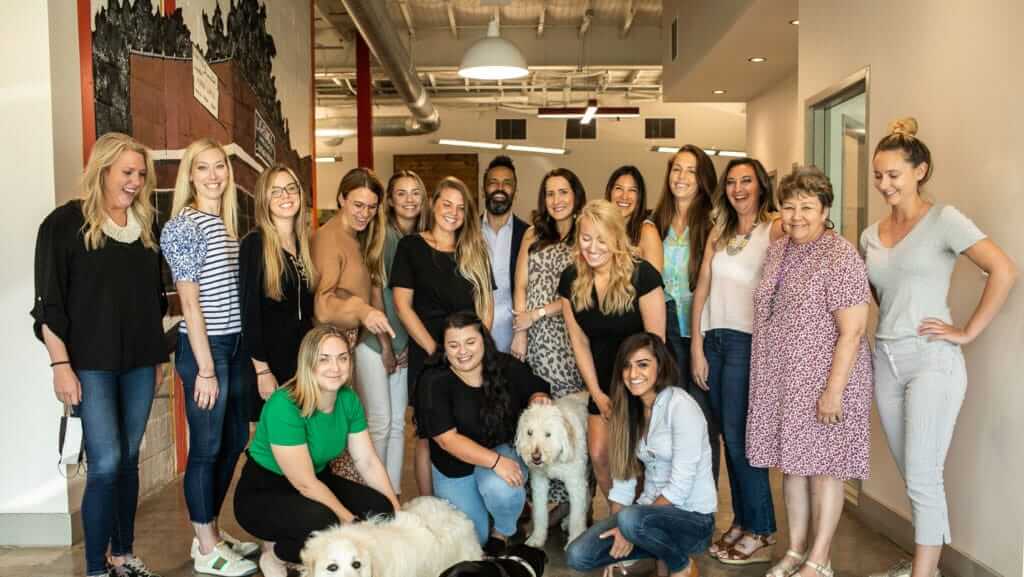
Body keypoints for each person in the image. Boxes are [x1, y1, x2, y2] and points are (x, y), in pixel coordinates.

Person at [862, 119, 1017, 577]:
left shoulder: (944, 220)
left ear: (919, 171)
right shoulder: (871, 235)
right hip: (886, 359)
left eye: (893, 175)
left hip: (932, 360)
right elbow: (880, 294)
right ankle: (926, 563)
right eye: (878, 176)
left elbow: (1003, 270)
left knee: (923, 473)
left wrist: (966, 331)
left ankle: (923, 572)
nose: (884, 184)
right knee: (915, 473)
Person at [32, 132, 168, 577]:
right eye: (127, 173)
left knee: (128, 461)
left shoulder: (147, 226)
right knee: (106, 463)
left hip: (140, 365)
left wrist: (159, 360)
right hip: (89, 366)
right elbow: (49, 305)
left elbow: (154, 301)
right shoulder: (63, 225)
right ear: (103, 170)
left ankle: (123, 556)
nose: (135, 182)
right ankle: (94, 567)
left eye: (141, 175)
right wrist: (60, 366)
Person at [747, 167, 873, 577]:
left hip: (825, 379)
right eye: (789, 206)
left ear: (824, 210)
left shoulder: (840, 255)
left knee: (825, 469)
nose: (797, 215)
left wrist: (833, 391)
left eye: (807, 207)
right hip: (785, 379)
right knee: (793, 467)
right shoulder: (780, 249)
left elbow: (853, 331)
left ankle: (820, 558)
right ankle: (795, 550)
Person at [160, 138, 258, 576]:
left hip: (235, 346)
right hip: (207, 348)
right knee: (205, 448)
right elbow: (191, 304)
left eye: (220, 166)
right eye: (203, 168)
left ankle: (213, 530)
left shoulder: (225, 224)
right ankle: (204, 545)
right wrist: (204, 368)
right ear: (190, 175)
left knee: (234, 441)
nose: (215, 175)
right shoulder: (185, 226)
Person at [234, 325, 400, 577]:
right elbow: (305, 484)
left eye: (342, 358)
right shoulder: (284, 405)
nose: (335, 368)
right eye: (324, 359)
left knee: (381, 511)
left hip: (318, 481)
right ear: (308, 363)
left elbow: (366, 461)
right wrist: (349, 520)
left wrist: (398, 513)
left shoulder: (348, 399)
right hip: (265, 491)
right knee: (327, 522)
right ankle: (277, 555)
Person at [690, 157, 784, 564]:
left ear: (761, 186)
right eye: (731, 182)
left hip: (749, 343)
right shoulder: (720, 231)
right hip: (714, 340)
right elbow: (703, 288)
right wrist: (696, 343)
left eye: (747, 181)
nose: (738, 188)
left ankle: (762, 529)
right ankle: (744, 521)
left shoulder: (776, 227)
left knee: (745, 438)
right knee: (728, 437)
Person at [565, 333, 715, 577]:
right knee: (579, 554)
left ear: (661, 366)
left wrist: (627, 529)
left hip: (692, 519)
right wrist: (618, 537)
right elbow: (624, 483)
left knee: (631, 519)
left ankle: (680, 564)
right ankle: (654, 553)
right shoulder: (629, 413)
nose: (633, 374)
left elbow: (680, 487)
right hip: (646, 518)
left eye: (643, 364)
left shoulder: (681, 405)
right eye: (627, 366)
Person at [391, 176, 495, 497]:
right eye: (446, 204)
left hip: (468, 357)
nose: (453, 212)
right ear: (433, 204)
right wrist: (437, 349)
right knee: (428, 434)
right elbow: (402, 305)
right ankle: (428, 505)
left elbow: (486, 307)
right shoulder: (412, 247)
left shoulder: (474, 250)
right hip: (431, 354)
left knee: (470, 428)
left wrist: (475, 351)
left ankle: (473, 500)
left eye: (461, 208)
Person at [416, 312, 551, 550]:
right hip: (454, 463)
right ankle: (485, 515)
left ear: (483, 341)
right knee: (473, 538)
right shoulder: (433, 380)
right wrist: (495, 462)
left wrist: (538, 397)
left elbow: (536, 387)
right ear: (444, 348)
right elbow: (447, 440)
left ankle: (502, 531)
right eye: (453, 345)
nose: (462, 351)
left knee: (501, 489)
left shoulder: (504, 365)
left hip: (501, 448)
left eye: (470, 342)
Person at [559, 199, 666, 500]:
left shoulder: (642, 275)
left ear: (617, 238)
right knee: (599, 455)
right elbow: (579, 341)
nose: (592, 247)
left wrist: (641, 396)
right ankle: (617, 516)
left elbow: (656, 342)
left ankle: (640, 520)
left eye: (601, 239)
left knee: (639, 460)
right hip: (602, 382)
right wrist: (596, 393)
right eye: (586, 238)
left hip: (640, 383)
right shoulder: (571, 280)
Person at [510, 168, 586, 512]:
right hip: (536, 339)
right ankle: (547, 504)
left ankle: (574, 501)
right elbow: (520, 286)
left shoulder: (585, 235)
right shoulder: (532, 235)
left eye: (563, 192)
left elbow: (580, 291)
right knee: (539, 415)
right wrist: (522, 331)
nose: (557, 200)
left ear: (575, 195)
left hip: (567, 336)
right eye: (550, 193)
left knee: (570, 421)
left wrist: (539, 314)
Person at [311, 167, 395, 481]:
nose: (364, 213)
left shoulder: (355, 236)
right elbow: (322, 304)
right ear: (341, 199)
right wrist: (361, 310)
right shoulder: (328, 238)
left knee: (348, 427)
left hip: (347, 342)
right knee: (338, 434)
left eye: (371, 207)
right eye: (358, 205)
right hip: (331, 344)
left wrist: (383, 343)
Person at [353, 170, 427, 495]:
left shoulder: (423, 238)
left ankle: (393, 496)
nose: (409, 199)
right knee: (380, 424)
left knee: (398, 425)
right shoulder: (383, 235)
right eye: (401, 193)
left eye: (415, 193)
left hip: (405, 345)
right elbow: (374, 289)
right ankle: (375, 496)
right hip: (375, 343)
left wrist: (406, 343)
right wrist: (385, 343)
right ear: (391, 200)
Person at [650, 144, 721, 482]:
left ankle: (703, 506)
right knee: (670, 421)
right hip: (665, 331)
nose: (681, 177)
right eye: (676, 169)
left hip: (701, 333)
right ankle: (675, 502)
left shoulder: (713, 222)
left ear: (702, 178)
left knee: (703, 422)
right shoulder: (656, 222)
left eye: (690, 171)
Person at [240, 164, 316, 422]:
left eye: (291, 188)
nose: (286, 196)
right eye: (276, 191)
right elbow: (249, 313)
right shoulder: (255, 244)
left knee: (302, 438)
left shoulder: (303, 246)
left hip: (302, 363)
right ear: (264, 199)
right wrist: (262, 371)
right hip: (270, 364)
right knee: (273, 445)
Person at [481, 155, 530, 353]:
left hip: (517, 338)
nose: (500, 188)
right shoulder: (467, 233)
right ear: (485, 189)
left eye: (507, 183)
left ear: (515, 192)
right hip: (477, 337)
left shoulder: (528, 235)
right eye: (493, 182)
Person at [606, 165, 663, 271]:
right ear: (610, 192)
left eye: (632, 190)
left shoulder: (647, 231)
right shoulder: (602, 228)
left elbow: (655, 281)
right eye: (619, 188)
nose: (624, 196)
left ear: (639, 197)